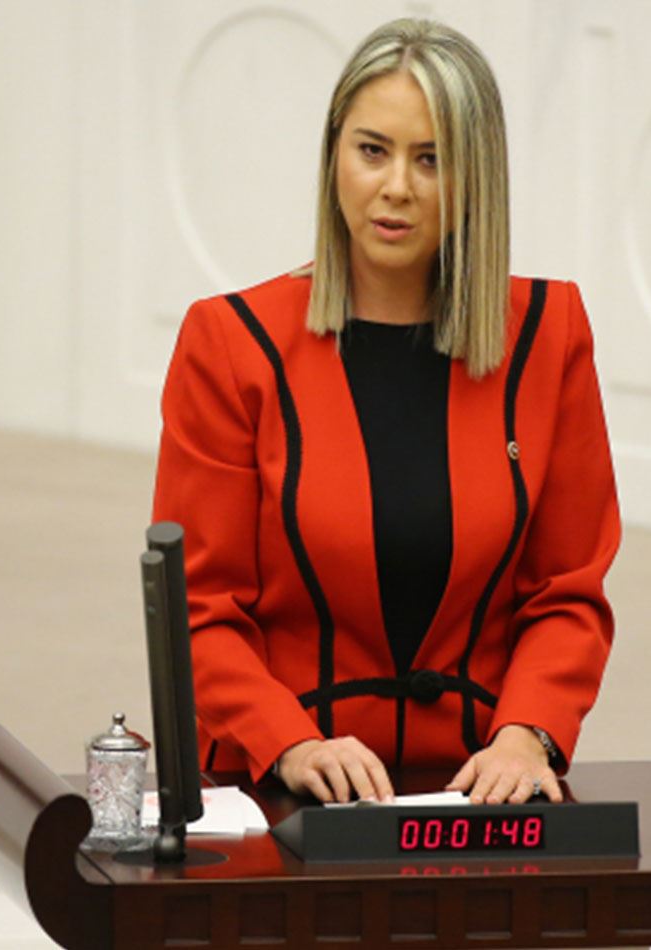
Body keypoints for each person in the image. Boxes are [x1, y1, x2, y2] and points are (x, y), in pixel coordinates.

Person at [152, 18, 619, 807]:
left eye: (431, 160)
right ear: (334, 156)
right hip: (281, 784)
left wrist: (525, 734)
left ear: (477, 176)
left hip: (475, 788)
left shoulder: (550, 335)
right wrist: (291, 742)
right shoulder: (230, 344)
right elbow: (198, 612)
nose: (396, 186)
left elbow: (566, 595)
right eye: (373, 150)